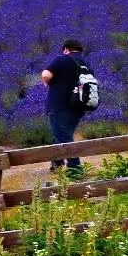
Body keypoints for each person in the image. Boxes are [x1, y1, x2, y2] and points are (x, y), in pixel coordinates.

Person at [41, 39, 89, 173]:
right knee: (62, 134)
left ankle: (75, 168)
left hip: (59, 105)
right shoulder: (85, 63)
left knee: (64, 136)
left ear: (66, 49)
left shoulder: (61, 60)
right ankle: (57, 163)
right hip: (79, 106)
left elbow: (46, 75)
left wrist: (46, 83)